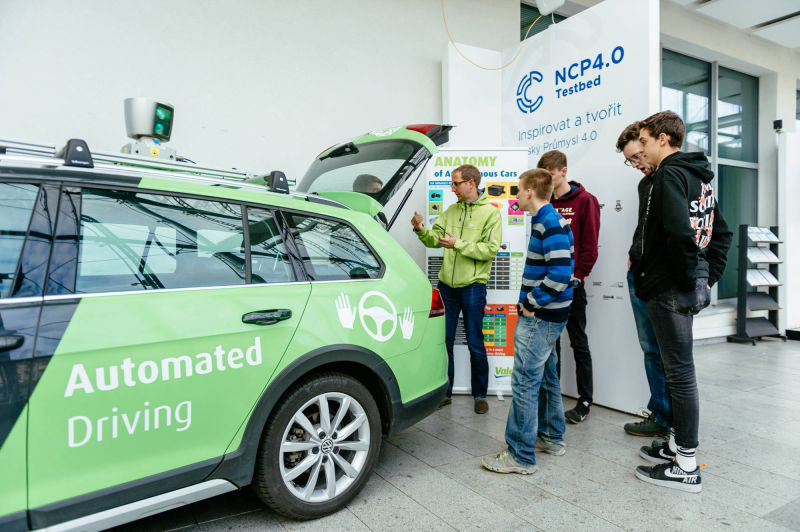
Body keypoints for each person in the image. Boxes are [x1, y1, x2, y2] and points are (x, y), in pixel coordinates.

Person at [633, 111, 732, 493]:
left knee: (679, 374)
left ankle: (686, 465)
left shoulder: (670, 174)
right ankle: (676, 446)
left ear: (663, 139)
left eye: (644, 142)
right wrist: (706, 278)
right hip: (684, 288)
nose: (641, 149)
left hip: (670, 290)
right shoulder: (698, 178)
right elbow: (720, 234)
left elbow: (677, 232)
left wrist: (687, 279)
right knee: (679, 371)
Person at [481, 168, 574, 474]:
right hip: (548, 315)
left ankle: (520, 455)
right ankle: (550, 437)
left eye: (518, 190)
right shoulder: (547, 220)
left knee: (524, 382)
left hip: (540, 317)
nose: (516, 195)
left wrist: (532, 303)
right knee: (546, 376)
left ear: (530, 192)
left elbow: (560, 274)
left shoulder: (549, 222)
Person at [411, 164, 502, 414]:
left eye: (456, 183)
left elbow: (489, 250)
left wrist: (458, 244)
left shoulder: (490, 214)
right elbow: (434, 240)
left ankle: (480, 395)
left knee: (475, 343)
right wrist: (420, 229)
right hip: (446, 289)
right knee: (444, 342)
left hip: (473, 287)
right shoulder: (451, 211)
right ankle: (445, 392)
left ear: (471, 183)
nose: (452, 188)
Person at [536, 150, 600, 424]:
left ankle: (585, 400)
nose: (547, 180)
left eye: (550, 175)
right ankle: (554, 398)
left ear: (563, 171)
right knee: (551, 345)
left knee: (578, 342)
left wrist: (579, 275)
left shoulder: (585, 201)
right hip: (548, 286)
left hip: (572, 286)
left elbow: (590, 246)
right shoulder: (546, 203)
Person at [616, 123, 670, 438]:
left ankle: (672, 421)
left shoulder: (672, 178)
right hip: (639, 273)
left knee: (668, 353)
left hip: (662, 279)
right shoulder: (644, 185)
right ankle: (660, 413)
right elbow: (645, 226)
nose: (637, 164)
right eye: (630, 161)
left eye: (637, 155)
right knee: (650, 348)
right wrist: (634, 251)